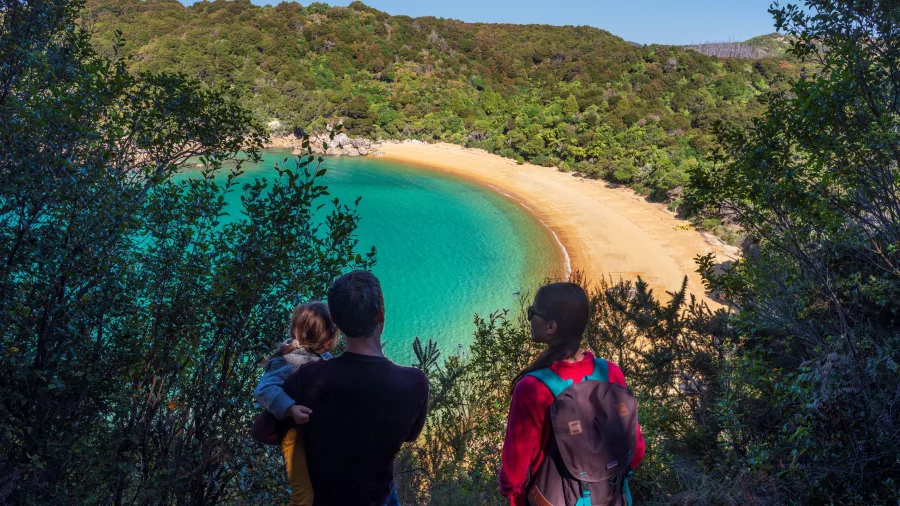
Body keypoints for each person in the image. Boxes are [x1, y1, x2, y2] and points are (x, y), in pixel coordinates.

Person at [282, 270, 430, 506]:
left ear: (335, 320)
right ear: (380, 314)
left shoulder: (308, 377)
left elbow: (264, 431)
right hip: (380, 497)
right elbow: (411, 435)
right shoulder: (414, 383)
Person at [499, 282, 646, 506]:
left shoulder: (532, 388)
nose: (529, 317)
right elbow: (636, 450)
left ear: (551, 327)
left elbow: (514, 475)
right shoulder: (610, 372)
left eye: (532, 312)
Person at [252, 301, 339, 506]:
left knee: (324, 488)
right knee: (304, 497)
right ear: (325, 338)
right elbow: (263, 389)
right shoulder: (287, 360)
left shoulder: (325, 357)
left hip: (314, 434)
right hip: (294, 437)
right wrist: (290, 408)